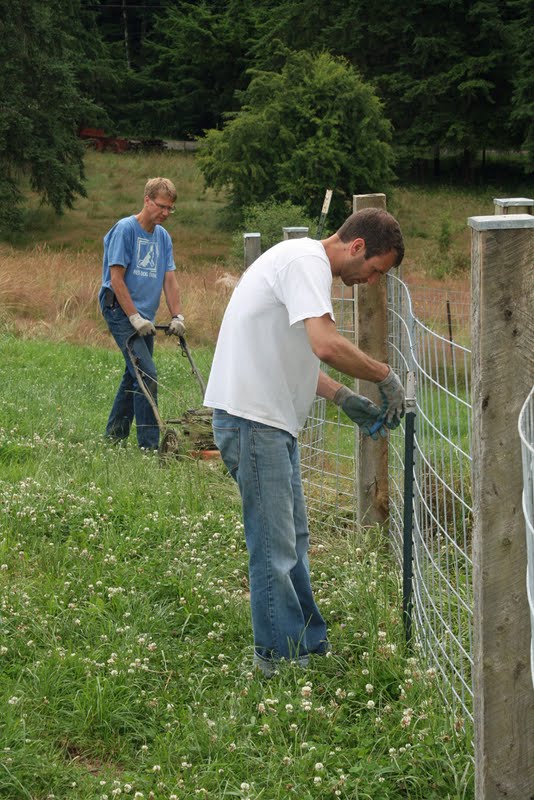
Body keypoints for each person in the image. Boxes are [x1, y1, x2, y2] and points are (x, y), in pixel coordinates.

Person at [204, 207, 406, 676]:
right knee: (274, 547)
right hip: (253, 422)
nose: (372, 282)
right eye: (376, 270)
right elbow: (325, 344)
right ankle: (277, 659)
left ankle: (306, 646)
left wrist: (342, 397)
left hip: (268, 422)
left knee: (292, 540)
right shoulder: (306, 263)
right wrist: (384, 376)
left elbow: (288, 352)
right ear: (357, 247)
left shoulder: (302, 264)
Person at [98, 177, 185, 450]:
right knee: (146, 373)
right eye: (162, 206)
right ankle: (149, 446)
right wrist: (134, 317)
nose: (166, 213)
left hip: (144, 315)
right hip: (119, 309)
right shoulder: (125, 230)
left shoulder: (163, 237)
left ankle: (113, 437)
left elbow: (169, 279)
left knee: (133, 373)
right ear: (147, 200)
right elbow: (116, 279)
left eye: (170, 208)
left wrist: (177, 316)